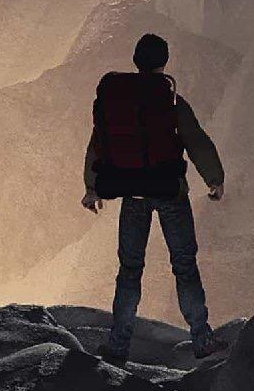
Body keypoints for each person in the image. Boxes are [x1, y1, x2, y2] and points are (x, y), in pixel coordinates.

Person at [81, 32, 228, 364]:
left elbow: (97, 144)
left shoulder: (117, 101)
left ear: (136, 61)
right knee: (184, 266)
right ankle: (202, 339)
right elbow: (196, 140)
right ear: (163, 62)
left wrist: (92, 188)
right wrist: (214, 179)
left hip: (132, 193)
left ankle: (118, 347)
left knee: (130, 270)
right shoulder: (170, 100)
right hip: (170, 192)